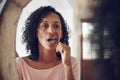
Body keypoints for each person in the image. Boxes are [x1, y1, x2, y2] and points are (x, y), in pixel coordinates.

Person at [16, 6, 80, 80]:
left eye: (56, 26)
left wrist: (67, 66)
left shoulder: (72, 63)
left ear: (62, 33)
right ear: (35, 32)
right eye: (45, 26)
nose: (51, 31)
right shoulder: (20, 65)